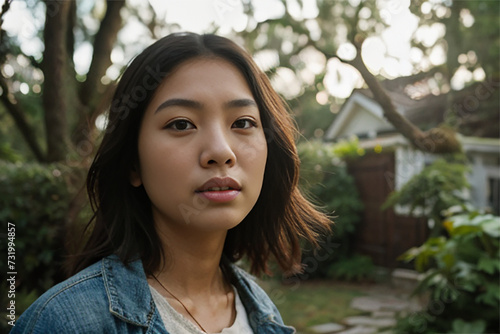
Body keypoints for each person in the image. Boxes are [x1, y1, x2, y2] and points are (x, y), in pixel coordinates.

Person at [11, 32, 331, 334]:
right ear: (133, 163)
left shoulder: (263, 313)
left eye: (243, 122)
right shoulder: (64, 322)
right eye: (181, 124)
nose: (221, 151)